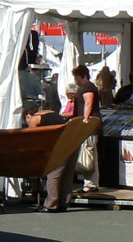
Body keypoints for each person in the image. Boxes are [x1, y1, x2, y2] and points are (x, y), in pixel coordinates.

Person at [24, 108, 76, 212]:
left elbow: (31, 137)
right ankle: (63, 203)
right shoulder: (50, 112)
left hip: (60, 144)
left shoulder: (34, 118)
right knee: (66, 174)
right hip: (72, 140)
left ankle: (51, 205)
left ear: (28, 116)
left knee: (53, 174)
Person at [71, 65, 102, 193]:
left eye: (77, 78)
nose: (76, 81)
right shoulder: (85, 87)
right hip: (88, 126)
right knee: (89, 153)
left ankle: (90, 183)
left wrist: (85, 119)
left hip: (89, 126)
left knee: (88, 153)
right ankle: (90, 182)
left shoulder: (88, 87)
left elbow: (88, 103)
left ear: (83, 76)